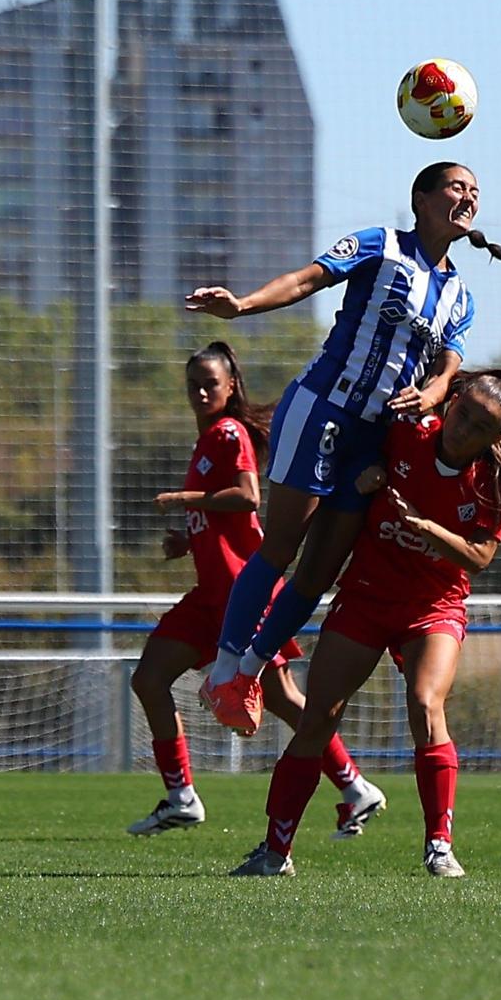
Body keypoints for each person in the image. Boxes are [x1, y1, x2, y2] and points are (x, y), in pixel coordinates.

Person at [187, 162, 501, 737]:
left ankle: (248, 673)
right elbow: (306, 280)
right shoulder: (380, 245)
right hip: (321, 409)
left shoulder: (460, 296)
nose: (468, 197)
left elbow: (449, 366)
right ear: (420, 199)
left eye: (475, 190)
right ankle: (223, 671)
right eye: (456, 187)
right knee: (282, 547)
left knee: (319, 571)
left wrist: (435, 391)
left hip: (375, 439)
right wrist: (241, 306)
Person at [231, 369, 501, 879]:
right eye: (463, 415)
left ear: (496, 438)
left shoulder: (493, 484)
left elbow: (479, 557)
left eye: (481, 427)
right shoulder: (407, 433)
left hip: (433, 606)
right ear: (451, 403)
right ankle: (275, 851)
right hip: (367, 596)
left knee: (425, 704)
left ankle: (439, 846)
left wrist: (425, 526)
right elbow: (350, 455)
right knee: (318, 718)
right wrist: (363, 475)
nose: (464, 430)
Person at [127, 342, 386, 837]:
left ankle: (355, 788)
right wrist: (190, 538)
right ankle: (181, 798)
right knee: (149, 679)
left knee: (282, 697)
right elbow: (223, 516)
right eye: (193, 385)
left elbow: (247, 496)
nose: (201, 392)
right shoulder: (208, 439)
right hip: (210, 594)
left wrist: (185, 498)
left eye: (210, 384)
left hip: (240, 595)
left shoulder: (229, 433)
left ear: (231, 387)